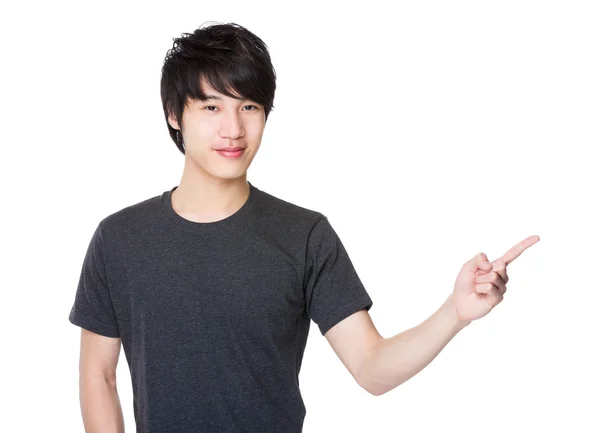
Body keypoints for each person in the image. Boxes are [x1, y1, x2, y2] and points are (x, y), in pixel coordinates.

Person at [68, 21, 540, 433]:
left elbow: (371, 368)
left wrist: (454, 313)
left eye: (249, 107)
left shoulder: (304, 235)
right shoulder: (120, 239)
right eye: (211, 107)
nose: (233, 129)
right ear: (175, 115)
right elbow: (99, 377)